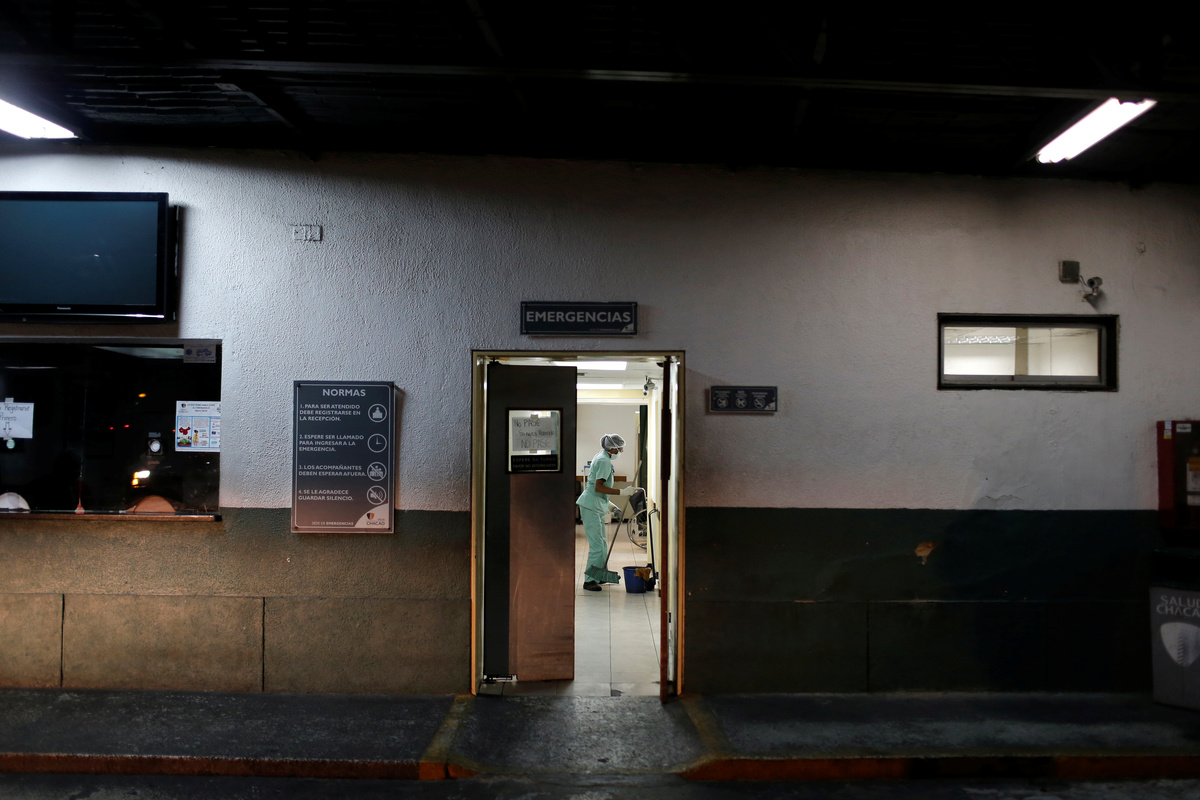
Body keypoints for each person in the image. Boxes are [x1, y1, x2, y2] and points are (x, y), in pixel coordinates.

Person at [576, 433, 636, 591]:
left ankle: (600, 574)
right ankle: (589, 580)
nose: (621, 451)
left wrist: (612, 507)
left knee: (602, 544)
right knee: (597, 545)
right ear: (613, 448)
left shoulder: (602, 457)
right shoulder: (603, 461)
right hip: (590, 507)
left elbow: (598, 491)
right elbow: (598, 487)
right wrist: (622, 492)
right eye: (620, 448)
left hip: (594, 505)